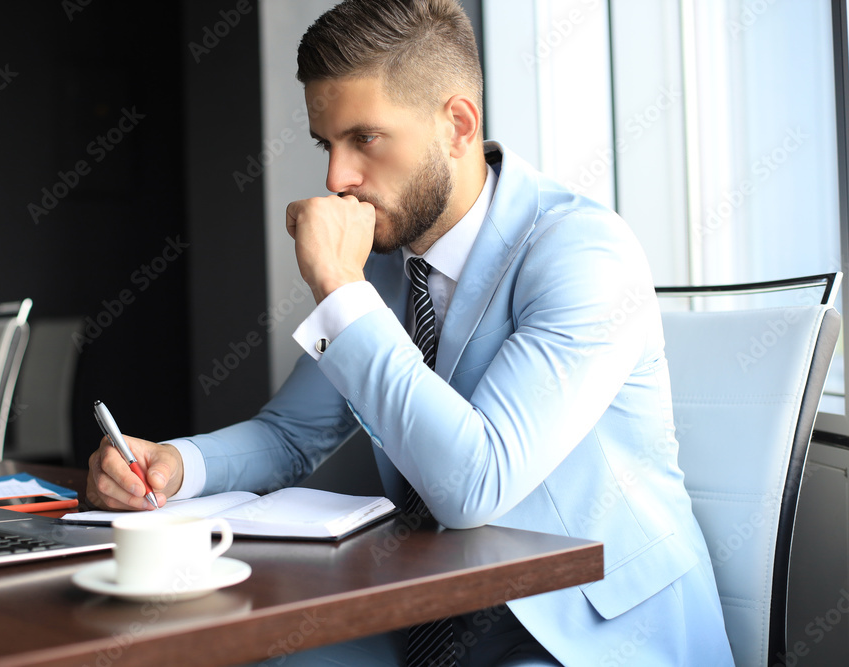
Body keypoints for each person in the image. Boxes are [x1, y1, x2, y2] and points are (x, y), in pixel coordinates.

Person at [87, 0, 734, 664]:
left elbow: (475, 485)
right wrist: (175, 465)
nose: (336, 178)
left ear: (457, 124)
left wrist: (339, 288)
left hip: (590, 628)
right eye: (326, 144)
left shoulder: (585, 253)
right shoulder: (387, 269)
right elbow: (291, 434)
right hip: (437, 611)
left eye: (364, 138)